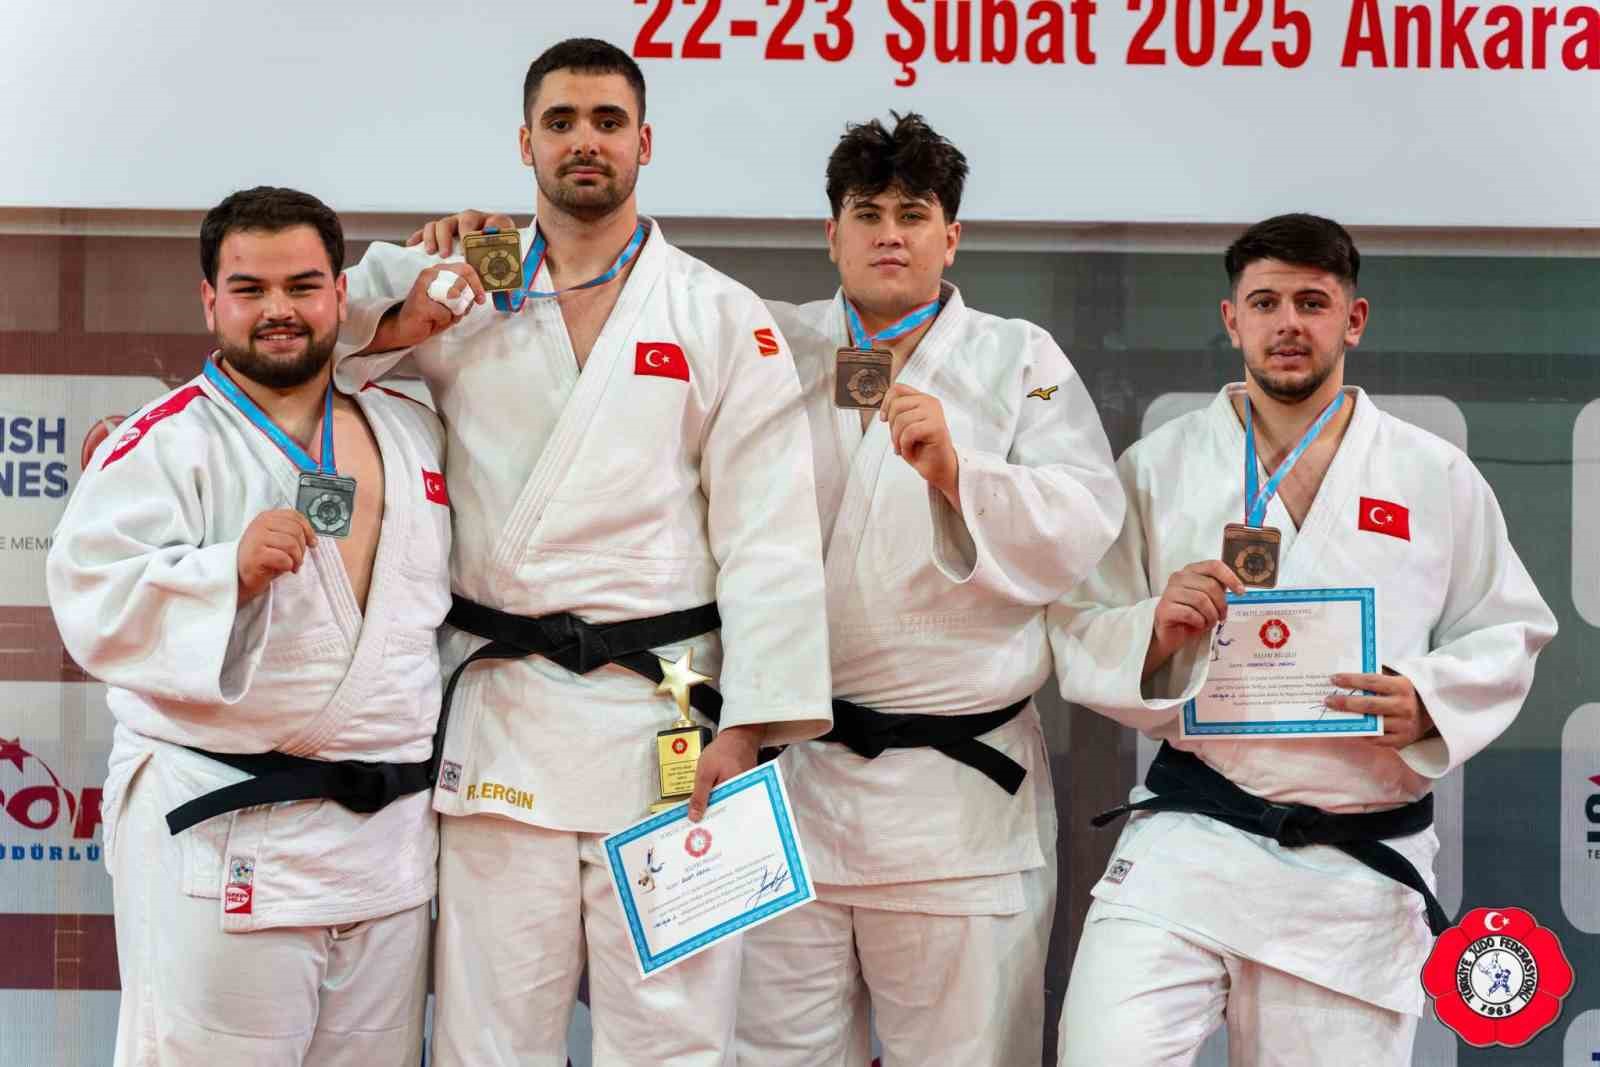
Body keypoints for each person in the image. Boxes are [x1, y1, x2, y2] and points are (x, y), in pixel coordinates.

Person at [333, 38, 832, 1066]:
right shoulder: (462, 286)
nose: (584, 141)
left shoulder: (717, 313)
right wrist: (406, 302)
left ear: (645, 142)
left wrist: (751, 724)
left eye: (608, 121)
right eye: (560, 122)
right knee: (488, 1036)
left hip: (670, 719)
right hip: (506, 712)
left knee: (675, 1039)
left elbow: (769, 537)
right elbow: (313, 334)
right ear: (525, 144)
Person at [1048, 213, 1558, 1065]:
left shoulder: (1431, 472)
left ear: (1352, 320)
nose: (1288, 323)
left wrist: (1430, 700)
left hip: (1353, 866)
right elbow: (1081, 622)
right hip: (1194, 838)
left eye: (1312, 303)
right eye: (1266, 302)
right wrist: (1154, 629)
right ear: (1232, 319)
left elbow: (1509, 626)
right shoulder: (1160, 465)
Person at [46, 186, 451, 1065]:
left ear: (341, 294)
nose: (278, 310)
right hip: (227, 829)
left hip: (385, 846)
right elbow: (89, 598)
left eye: (302, 286)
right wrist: (222, 571)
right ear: (209, 301)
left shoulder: (413, 429)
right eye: (249, 289)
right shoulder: (162, 441)